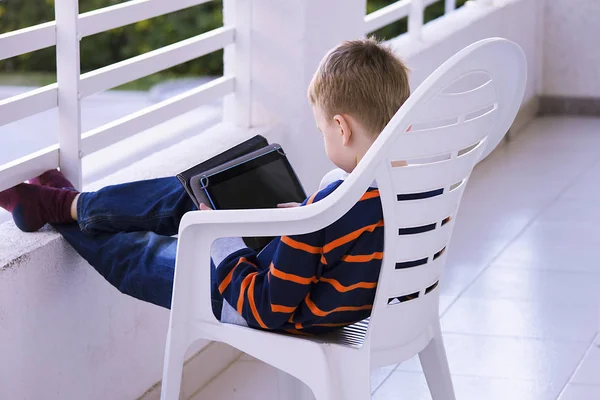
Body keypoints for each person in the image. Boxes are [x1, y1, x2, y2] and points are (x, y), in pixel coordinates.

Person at [0, 38, 410, 335]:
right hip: (306, 283)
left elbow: (263, 308)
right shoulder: (411, 190)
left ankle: (57, 206)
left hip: (242, 300)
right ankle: (67, 202)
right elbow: (347, 246)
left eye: (321, 130)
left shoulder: (335, 203)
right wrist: (305, 220)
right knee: (192, 193)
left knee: (137, 256)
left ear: (341, 127)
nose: (323, 138)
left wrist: (223, 240)